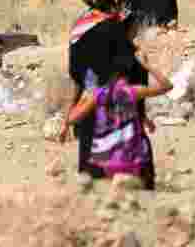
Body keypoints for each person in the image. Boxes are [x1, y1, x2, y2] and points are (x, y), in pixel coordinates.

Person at [60, 0, 155, 185]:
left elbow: (77, 77)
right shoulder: (113, 31)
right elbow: (133, 73)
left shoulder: (80, 28)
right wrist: (141, 114)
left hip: (87, 120)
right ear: (115, 0)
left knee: (91, 185)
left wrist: (69, 117)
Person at [66, 47, 170, 190]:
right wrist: (148, 66)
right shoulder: (132, 91)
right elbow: (167, 86)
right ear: (126, 75)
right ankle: (146, 185)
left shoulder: (97, 95)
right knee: (143, 142)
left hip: (106, 162)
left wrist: (81, 100)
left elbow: (72, 119)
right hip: (134, 161)